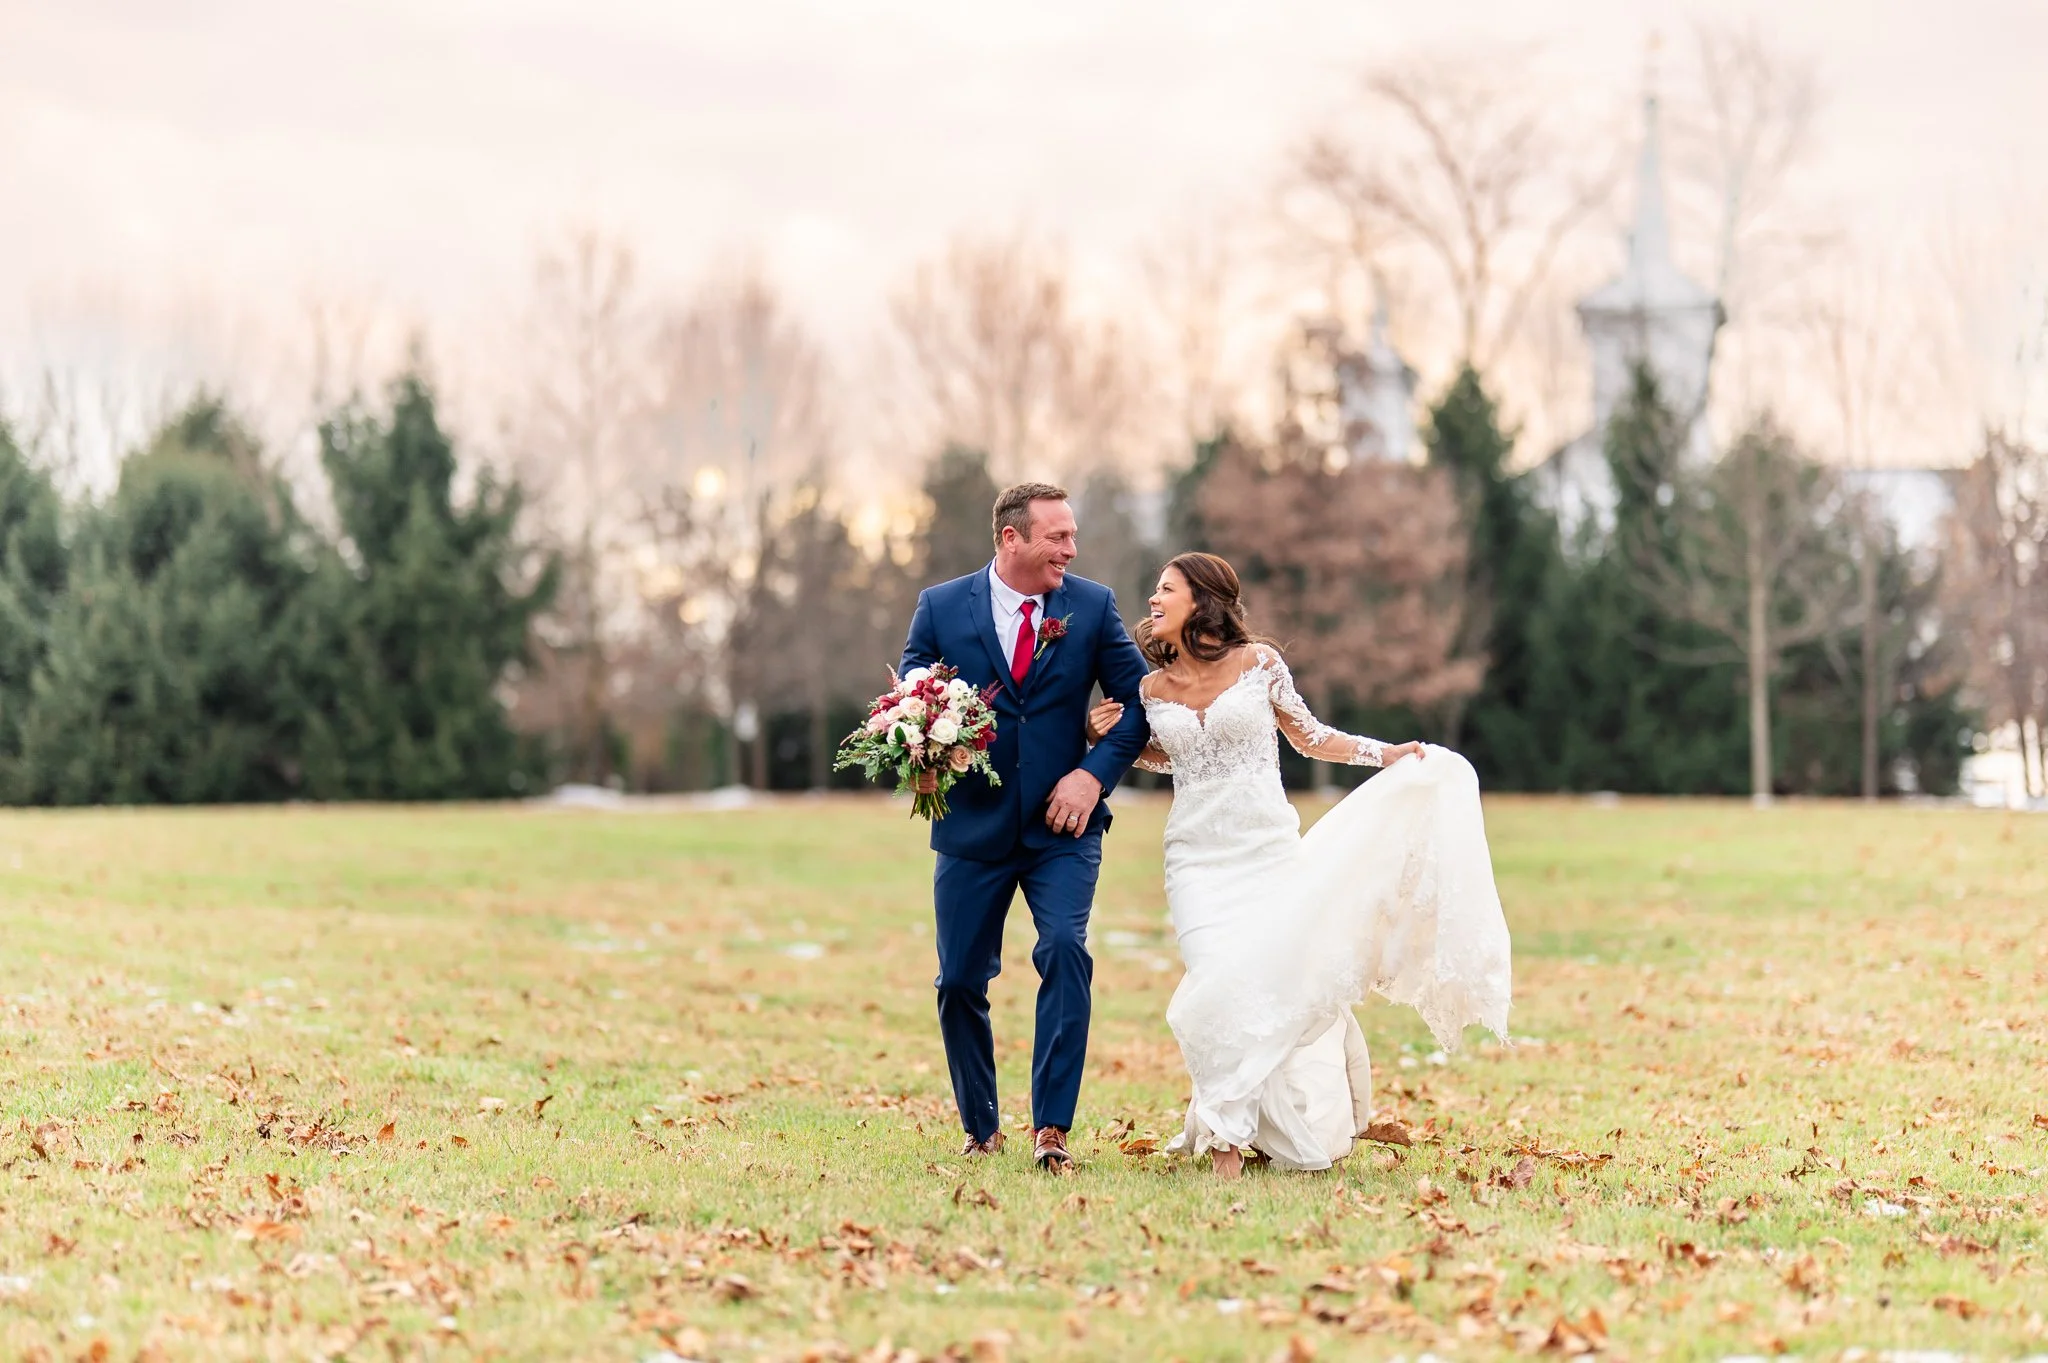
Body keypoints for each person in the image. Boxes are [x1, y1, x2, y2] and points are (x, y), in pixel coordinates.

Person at [1086, 552, 1511, 1178]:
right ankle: (1235, 1130)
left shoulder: (1260, 665)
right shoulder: (1152, 690)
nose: (1153, 599)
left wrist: (1384, 754)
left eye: (1166, 589)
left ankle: (1228, 1138)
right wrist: (1103, 738)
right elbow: (1169, 757)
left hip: (1266, 852)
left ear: (1202, 599)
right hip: (1195, 859)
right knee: (1215, 984)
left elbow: (1311, 737)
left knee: (1263, 986)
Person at [898, 482, 1151, 1170]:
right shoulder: (941, 606)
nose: (1071, 549)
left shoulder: (1091, 606)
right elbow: (910, 695)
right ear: (1012, 538)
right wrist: (918, 749)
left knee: (1065, 950)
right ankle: (981, 1126)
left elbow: (1138, 703)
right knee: (958, 981)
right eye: (1057, 537)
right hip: (971, 828)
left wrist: (1092, 775)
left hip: (1062, 828)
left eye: (1073, 535)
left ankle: (1052, 1129)